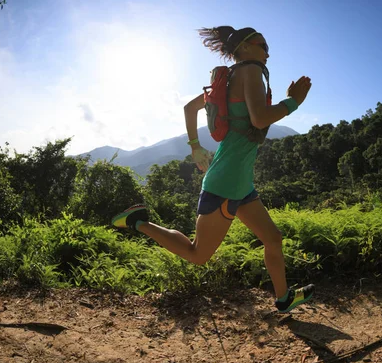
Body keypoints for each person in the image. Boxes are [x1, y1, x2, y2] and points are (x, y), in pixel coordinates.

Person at [112, 26, 314, 313]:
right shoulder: (251, 71)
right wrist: (293, 102)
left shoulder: (228, 79)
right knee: (198, 254)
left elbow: (188, 108)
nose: (267, 51)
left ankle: (283, 298)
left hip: (239, 183)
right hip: (224, 185)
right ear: (243, 48)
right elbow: (259, 120)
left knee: (273, 239)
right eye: (262, 44)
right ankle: (136, 222)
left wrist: (195, 146)